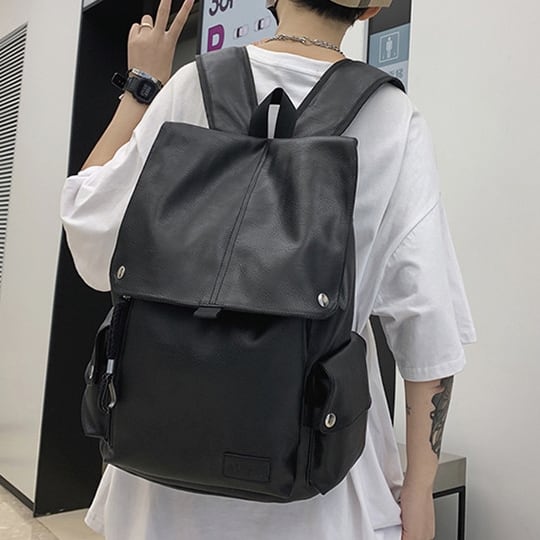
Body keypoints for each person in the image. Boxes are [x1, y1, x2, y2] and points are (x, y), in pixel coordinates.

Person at [60, 0, 477, 539]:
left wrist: (141, 88)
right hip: (319, 488)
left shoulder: (190, 87)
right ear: (372, 8)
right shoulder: (393, 117)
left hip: (159, 486)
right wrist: (420, 490)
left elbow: (90, 232)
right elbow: (427, 325)